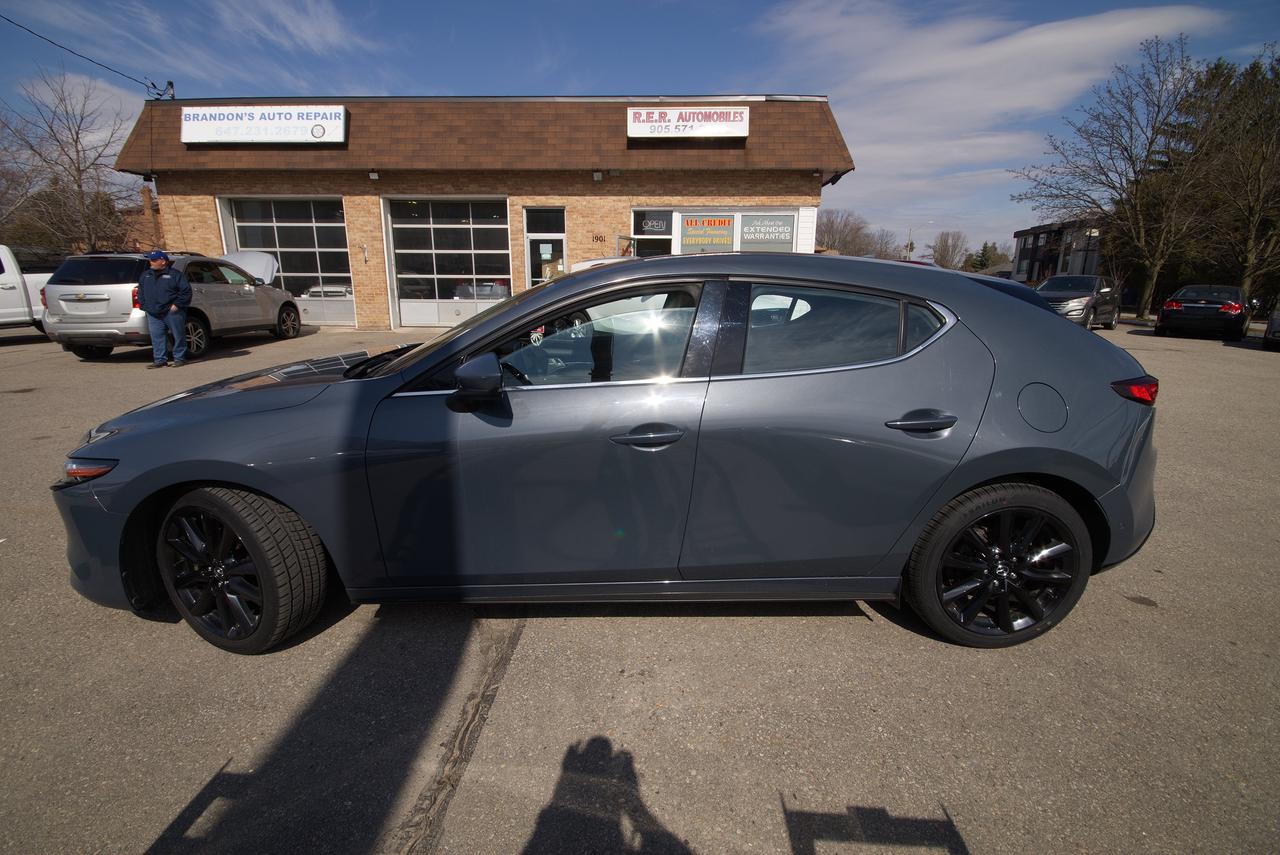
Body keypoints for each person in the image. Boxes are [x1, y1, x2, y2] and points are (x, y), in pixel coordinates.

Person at [137, 250, 191, 368]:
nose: (151, 262)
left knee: (178, 334)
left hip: (171, 311)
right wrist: (144, 305)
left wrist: (177, 305)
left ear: (163, 261)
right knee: (157, 336)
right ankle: (160, 359)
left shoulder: (175, 275)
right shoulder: (146, 275)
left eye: (154, 260)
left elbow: (186, 292)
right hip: (153, 312)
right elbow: (140, 291)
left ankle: (179, 358)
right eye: (150, 259)